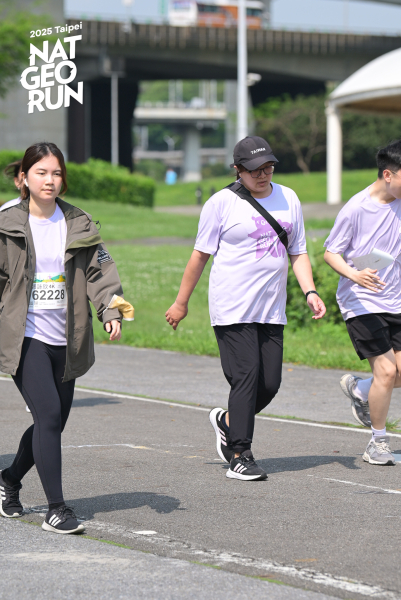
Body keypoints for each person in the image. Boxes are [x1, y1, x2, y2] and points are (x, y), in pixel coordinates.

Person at [165, 136, 326, 481]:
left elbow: (297, 251)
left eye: (268, 167)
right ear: (238, 170)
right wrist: (181, 303)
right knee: (247, 377)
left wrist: (310, 291)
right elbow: (200, 256)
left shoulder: (289, 198)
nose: (263, 175)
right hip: (232, 305)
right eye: (254, 170)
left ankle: (227, 421)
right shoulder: (221, 203)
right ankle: (240, 454)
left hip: (271, 308)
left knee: (270, 383)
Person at [0, 142, 134, 533]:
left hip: (68, 338)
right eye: (41, 172)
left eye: (56, 173)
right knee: (48, 415)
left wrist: (111, 311)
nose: (50, 180)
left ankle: (8, 479)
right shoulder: (6, 223)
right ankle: (56, 509)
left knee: (53, 423)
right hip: (25, 337)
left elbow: (101, 273)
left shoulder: (78, 222)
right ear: (24, 178)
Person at [324, 139, 401, 466]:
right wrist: (354, 275)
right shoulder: (356, 208)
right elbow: (331, 253)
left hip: (395, 300)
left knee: (396, 374)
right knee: (387, 370)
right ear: (388, 174)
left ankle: (361, 389)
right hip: (360, 301)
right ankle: (377, 443)